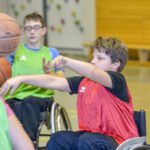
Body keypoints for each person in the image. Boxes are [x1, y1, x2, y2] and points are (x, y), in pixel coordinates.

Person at [0, 37, 139, 150]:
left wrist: (65, 60)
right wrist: (21, 79)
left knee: (88, 141)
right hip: (91, 137)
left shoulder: (117, 81)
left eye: (100, 58)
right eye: (93, 57)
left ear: (115, 64)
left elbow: (93, 71)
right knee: (58, 139)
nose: (93, 61)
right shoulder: (85, 82)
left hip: (119, 142)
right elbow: (52, 82)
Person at [5, 12, 64, 141]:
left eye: (36, 27)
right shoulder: (15, 52)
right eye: (28, 28)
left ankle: (28, 142)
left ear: (43, 30)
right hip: (15, 96)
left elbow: (62, 82)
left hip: (40, 98)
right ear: (23, 31)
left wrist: (49, 72)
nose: (32, 31)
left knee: (27, 103)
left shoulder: (52, 53)